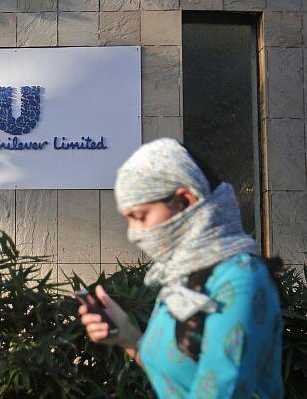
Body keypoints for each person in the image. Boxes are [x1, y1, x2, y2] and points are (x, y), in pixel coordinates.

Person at [79, 138, 284, 398]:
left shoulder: (240, 278)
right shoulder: (180, 279)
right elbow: (180, 379)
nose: (134, 234)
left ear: (185, 200)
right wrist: (128, 337)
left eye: (140, 217)